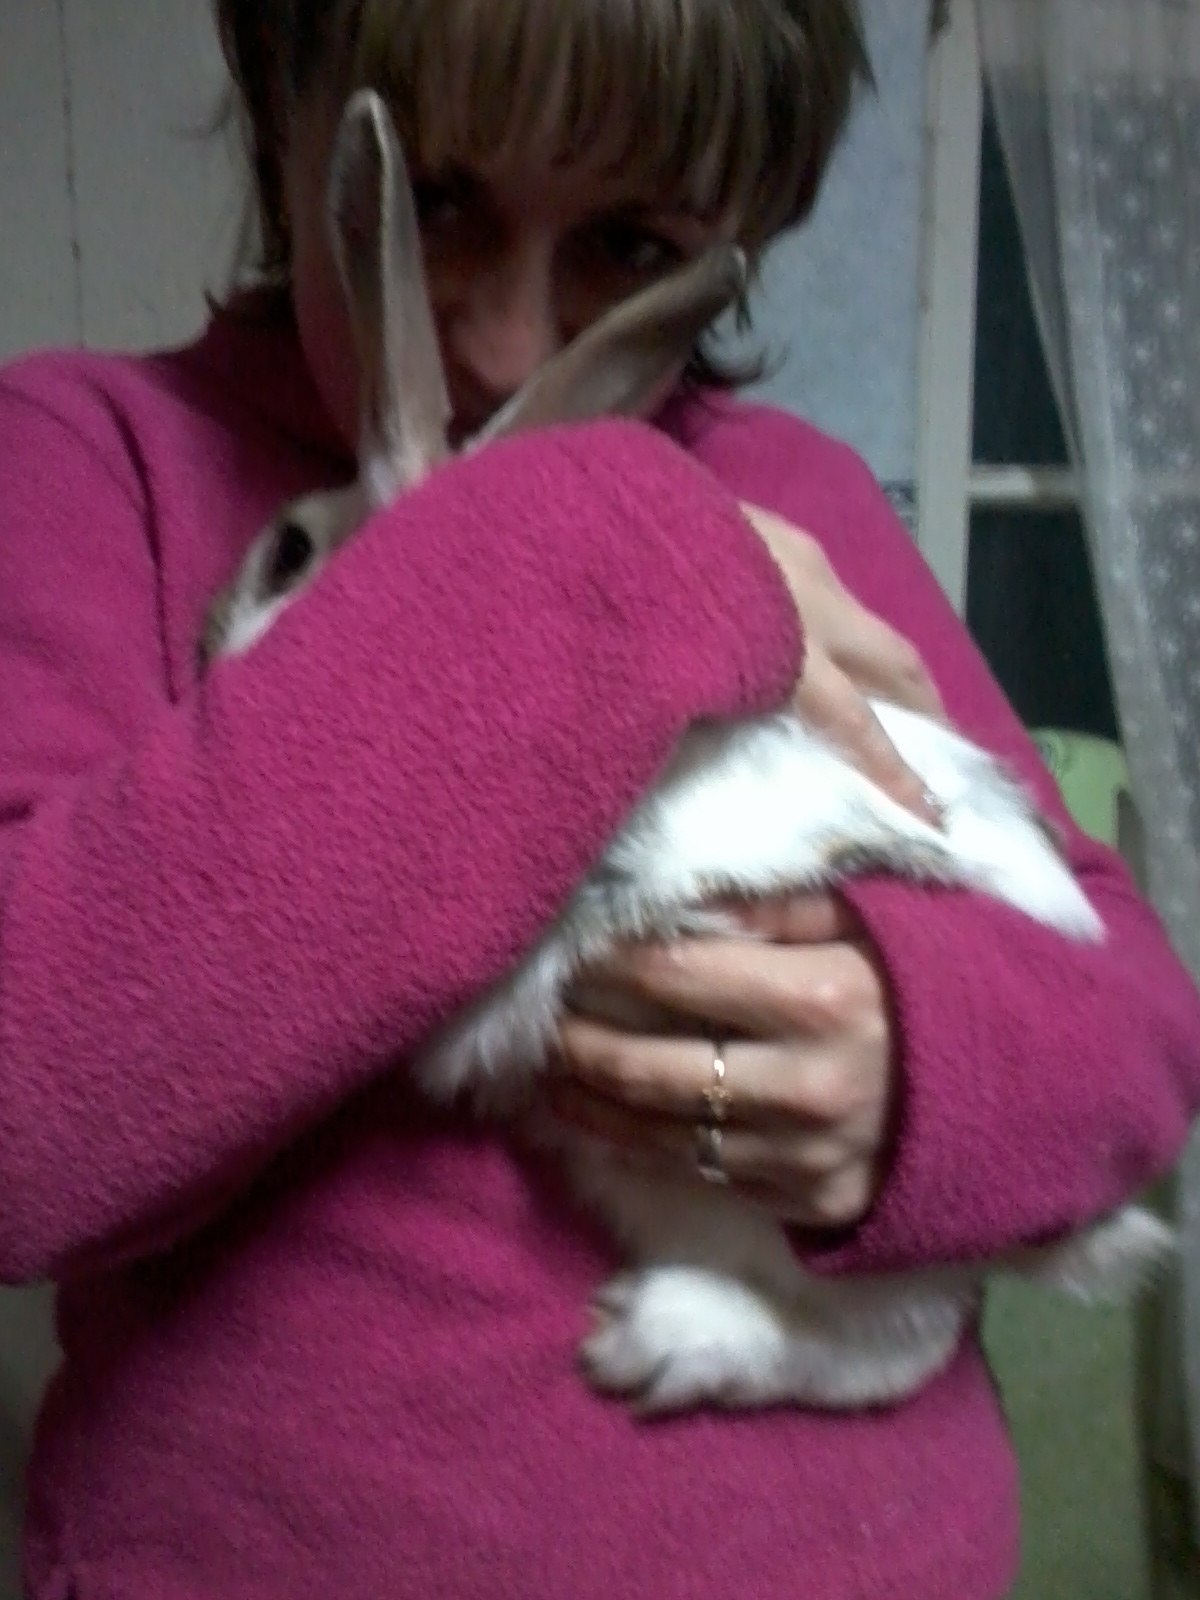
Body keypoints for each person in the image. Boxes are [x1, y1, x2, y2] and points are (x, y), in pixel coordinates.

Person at [0, 2, 1196, 1596]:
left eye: (630, 246)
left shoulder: (804, 507)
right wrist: (590, 557)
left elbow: (1128, 1025)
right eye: (441, 204)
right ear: (289, 100)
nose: (508, 348)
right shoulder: (87, 462)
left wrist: (918, 1067)